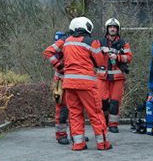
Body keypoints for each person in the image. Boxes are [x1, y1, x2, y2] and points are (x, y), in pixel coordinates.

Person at [46, 17, 110, 151]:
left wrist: (59, 67)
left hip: (68, 83)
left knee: (74, 113)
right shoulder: (90, 42)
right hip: (84, 83)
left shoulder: (66, 41)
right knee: (95, 112)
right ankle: (102, 143)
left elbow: (50, 52)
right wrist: (103, 54)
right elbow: (99, 63)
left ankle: (78, 143)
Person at [98, 18, 132, 133]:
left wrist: (117, 57)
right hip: (102, 76)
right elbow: (92, 55)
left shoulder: (123, 44)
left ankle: (113, 124)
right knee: (102, 101)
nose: (112, 29)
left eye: (114, 27)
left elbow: (129, 57)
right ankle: (104, 121)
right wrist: (101, 53)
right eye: (110, 27)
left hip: (117, 78)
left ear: (117, 29)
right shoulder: (100, 42)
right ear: (107, 29)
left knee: (115, 102)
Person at [45, 31, 70, 144]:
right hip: (61, 80)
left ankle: (76, 134)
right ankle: (61, 135)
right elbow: (48, 52)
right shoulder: (63, 41)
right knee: (62, 108)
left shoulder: (80, 40)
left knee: (75, 109)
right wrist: (59, 66)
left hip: (72, 80)